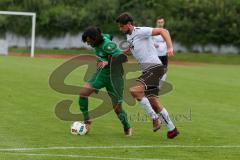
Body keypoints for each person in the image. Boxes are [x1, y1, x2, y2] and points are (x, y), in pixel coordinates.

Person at [116, 13, 179, 139]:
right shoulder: (129, 36)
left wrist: (170, 47)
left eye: (121, 26)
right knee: (153, 101)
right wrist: (119, 54)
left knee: (134, 90)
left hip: (155, 68)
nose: (120, 29)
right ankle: (172, 129)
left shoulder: (140, 31)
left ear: (129, 24)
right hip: (148, 71)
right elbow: (131, 50)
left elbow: (163, 30)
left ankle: (154, 117)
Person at [79, 26, 132, 136]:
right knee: (83, 93)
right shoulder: (102, 38)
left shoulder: (107, 45)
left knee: (117, 109)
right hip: (101, 74)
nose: (88, 44)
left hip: (114, 78)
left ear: (95, 38)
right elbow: (109, 36)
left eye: (89, 41)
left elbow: (123, 58)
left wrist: (108, 62)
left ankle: (127, 126)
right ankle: (87, 120)